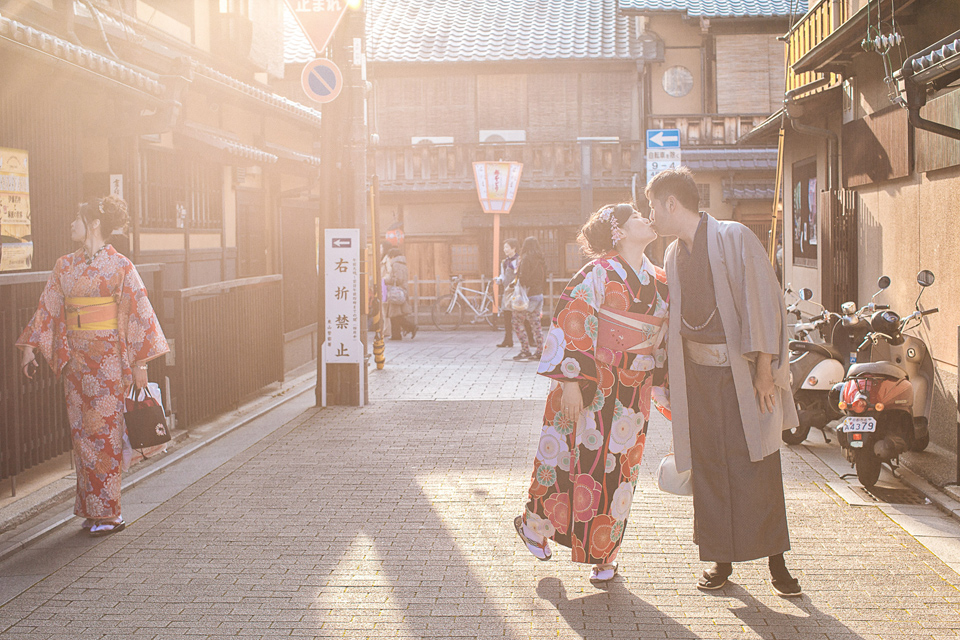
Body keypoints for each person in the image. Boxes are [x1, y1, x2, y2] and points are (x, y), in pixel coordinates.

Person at [645, 167, 802, 597]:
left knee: (758, 463)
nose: (652, 216)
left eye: (653, 206)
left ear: (671, 203)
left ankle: (777, 564)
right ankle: (720, 560)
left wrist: (766, 370)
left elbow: (763, 303)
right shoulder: (673, 255)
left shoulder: (734, 237)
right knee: (710, 466)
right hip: (697, 378)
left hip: (743, 375)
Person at [514, 204, 669, 583]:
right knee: (570, 457)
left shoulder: (661, 278)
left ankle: (606, 551)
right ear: (618, 231)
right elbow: (572, 321)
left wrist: (665, 387)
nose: (646, 219)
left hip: (634, 386)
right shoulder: (598, 273)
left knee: (620, 466)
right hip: (591, 382)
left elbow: (663, 340)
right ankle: (534, 524)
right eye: (636, 217)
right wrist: (569, 384)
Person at [17, 195, 169, 537]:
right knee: (82, 437)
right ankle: (92, 509)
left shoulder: (121, 266)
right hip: (77, 364)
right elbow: (49, 307)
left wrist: (139, 363)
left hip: (108, 363)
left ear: (94, 224)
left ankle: (110, 513)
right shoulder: (64, 266)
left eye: (78, 218)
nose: (72, 224)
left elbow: (137, 313)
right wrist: (29, 347)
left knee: (105, 437)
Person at [511, 236, 546, 361]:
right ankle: (540, 351)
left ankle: (525, 350)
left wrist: (518, 279)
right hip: (539, 295)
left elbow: (524, 278)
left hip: (528, 295)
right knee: (536, 324)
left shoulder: (525, 259)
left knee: (516, 322)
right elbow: (544, 278)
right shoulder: (541, 259)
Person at [383, 248, 417, 340]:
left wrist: (385, 280)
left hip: (396, 292)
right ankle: (396, 335)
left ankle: (411, 327)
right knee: (396, 315)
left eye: (389, 257)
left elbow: (398, 279)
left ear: (393, 256)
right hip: (400, 291)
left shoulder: (396, 265)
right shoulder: (402, 265)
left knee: (395, 315)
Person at [496, 238, 520, 348]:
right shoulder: (505, 262)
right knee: (507, 316)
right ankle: (508, 339)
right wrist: (500, 279)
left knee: (520, 316)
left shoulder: (518, 260)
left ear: (513, 248)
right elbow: (503, 275)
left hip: (516, 291)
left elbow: (519, 276)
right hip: (507, 292)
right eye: (504, 247)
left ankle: (530, 338)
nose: (505, 249)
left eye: (507, 247)